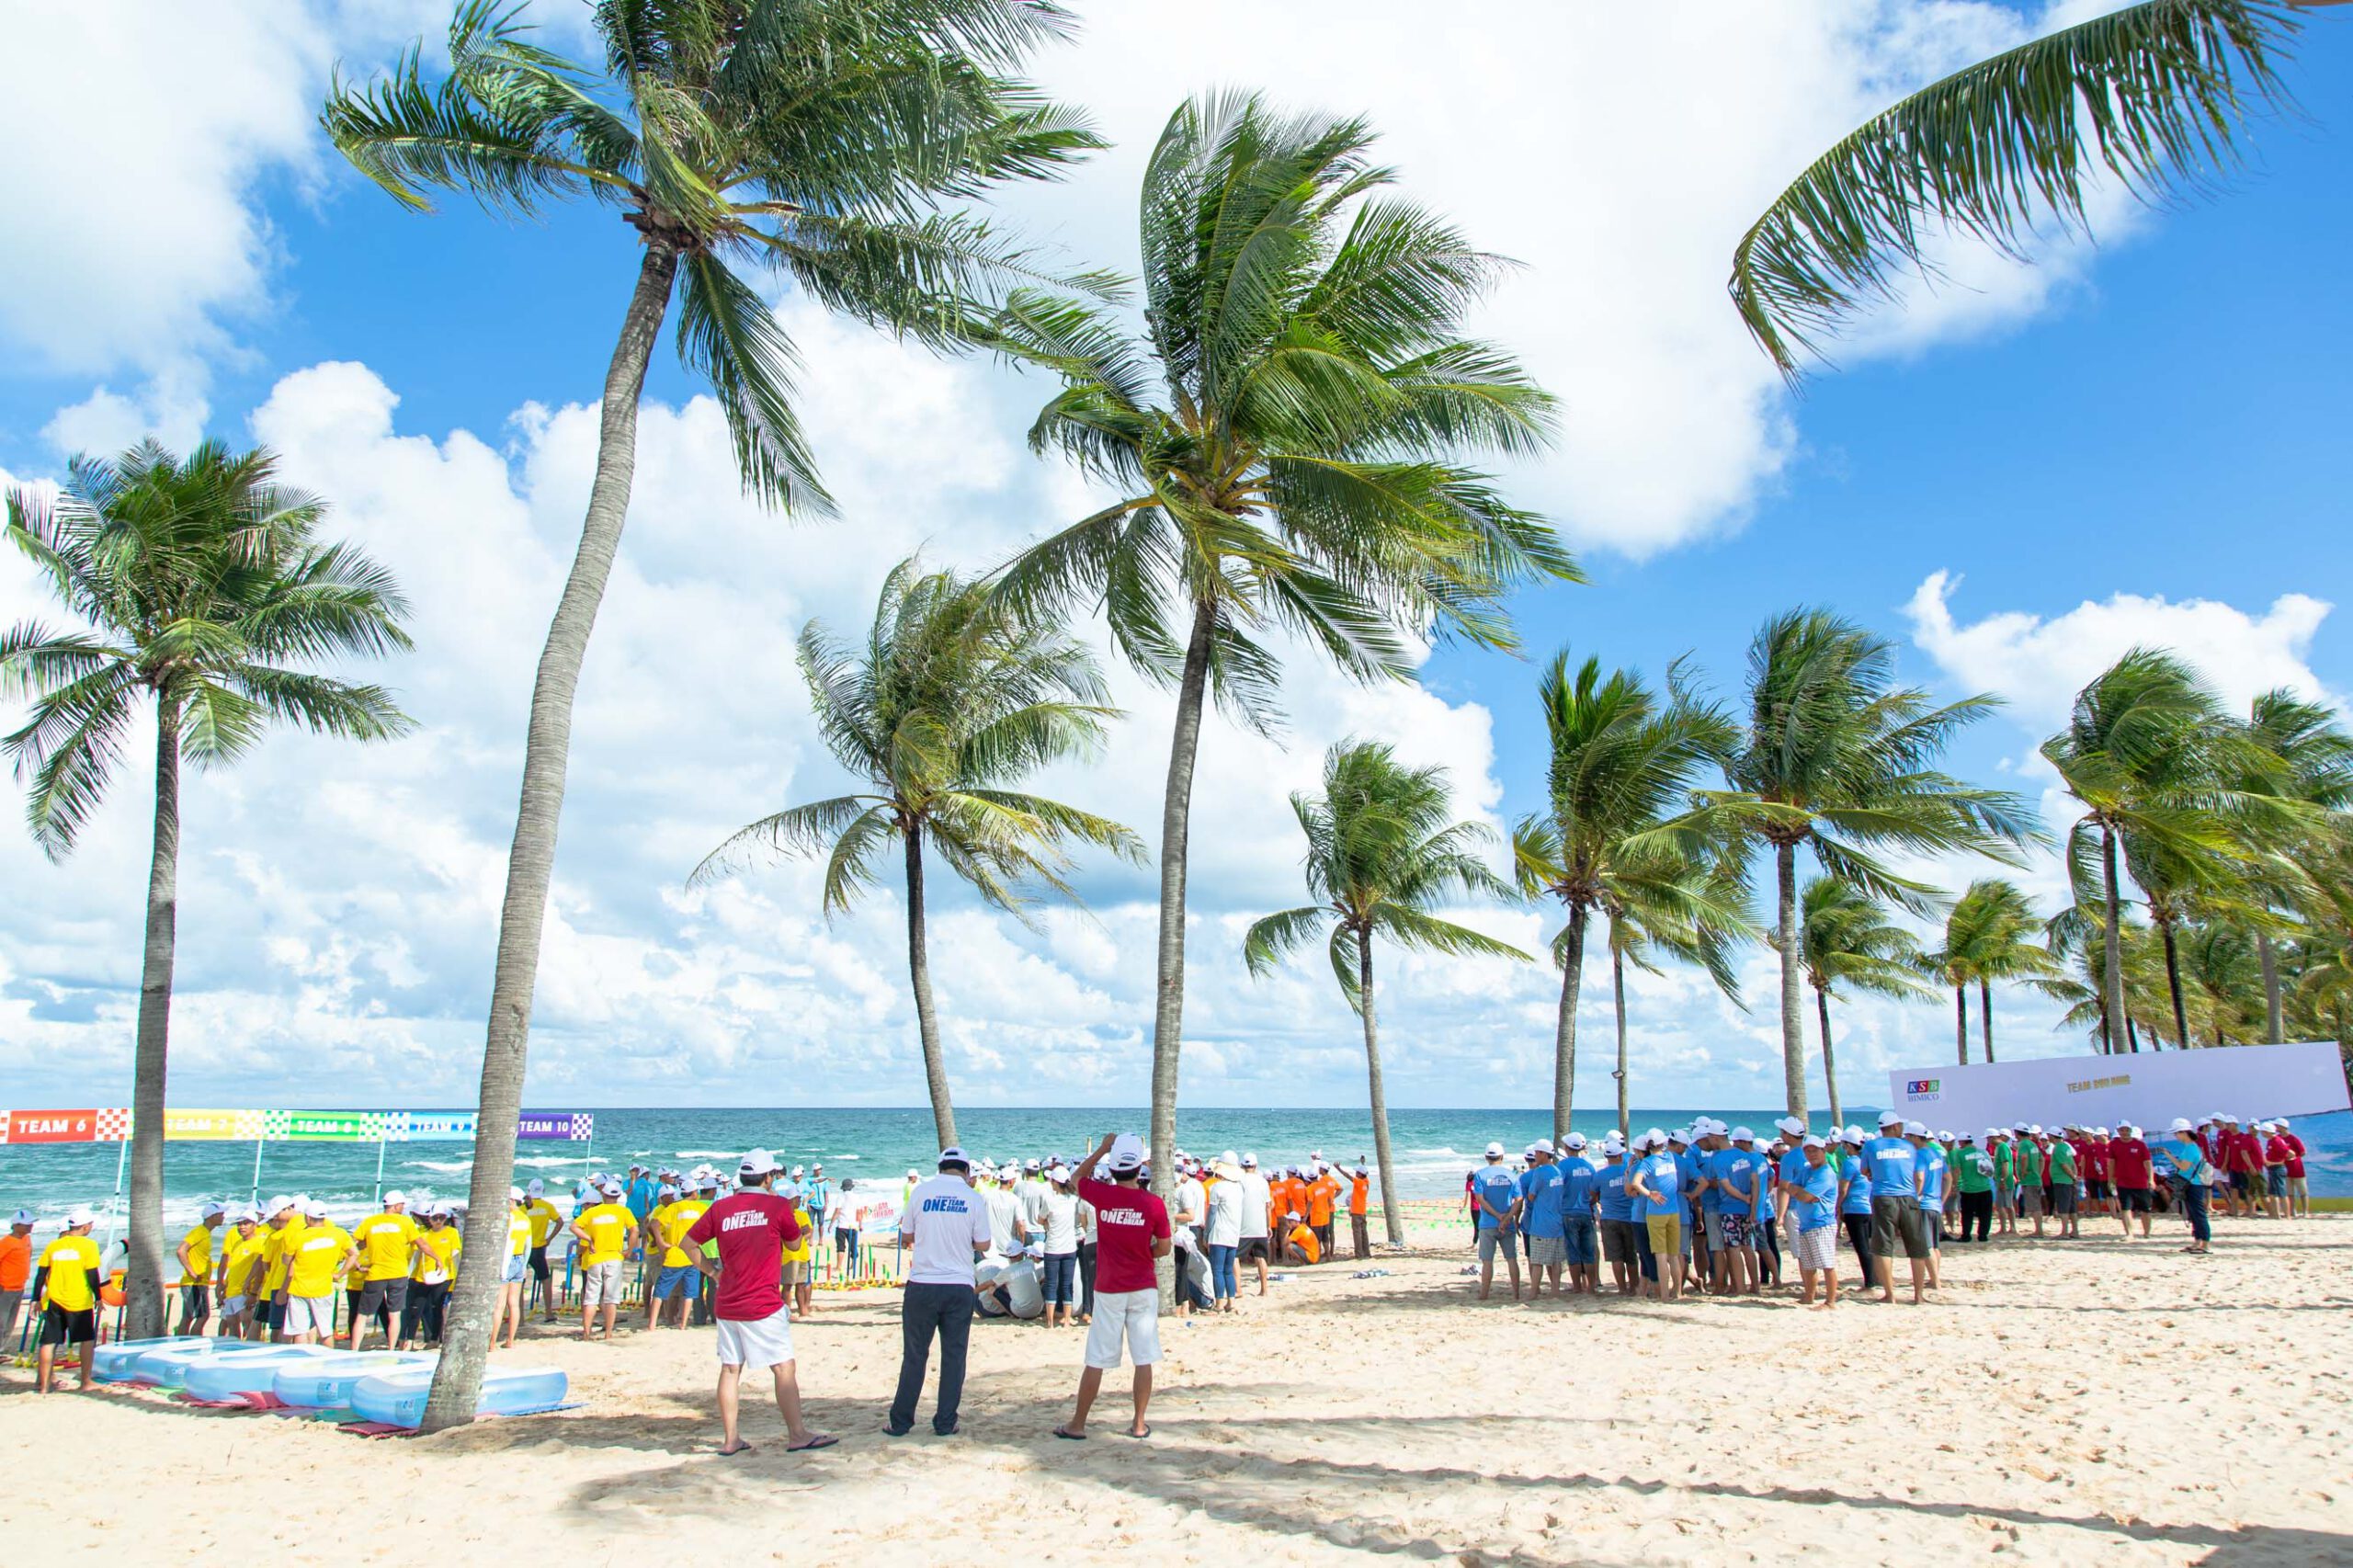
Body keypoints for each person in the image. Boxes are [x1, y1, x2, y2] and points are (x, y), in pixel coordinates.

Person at [674, 1150, 831, 1454]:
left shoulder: (722, 1207)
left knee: (731, 1369)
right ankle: (797, 1434)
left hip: (728, 1300)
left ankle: (730, 1439)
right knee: (783, 1367)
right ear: (768, 1177)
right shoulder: (776, 1206)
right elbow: (793, 1244)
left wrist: (713, 1272)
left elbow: (688, 1244)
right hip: (762, 1302)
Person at [1052, 1134, 1171, 1441]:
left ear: (1114, 1168)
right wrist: (1144, 1253)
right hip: (1143, 1285)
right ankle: (1139, 1423)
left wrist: (1102, 1149)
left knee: (1096, 1359)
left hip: (1109, 1288)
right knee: (1143, 1357)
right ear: (1139, 1169)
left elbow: (1076, 1178)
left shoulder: (1103, 1195)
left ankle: (1078, 1423)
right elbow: (1164, 1247)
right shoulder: (1153, 1204)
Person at [889, 1146, 993, 1437]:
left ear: (940, 1168)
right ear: (966, 1171)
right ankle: (945, 1422)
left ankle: (901, 1422)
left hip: (922, 1282)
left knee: (914, 1355)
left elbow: (906, 1235)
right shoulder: (973, 1198)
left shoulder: (920, 1192)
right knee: (954, 1356)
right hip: (959, 1284)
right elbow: (983, 1244)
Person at [33, 1208, 104, 1392]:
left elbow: (41, 1273)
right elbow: (92, 1274)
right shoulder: (89, 1245)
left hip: (54, 1300)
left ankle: (44, 1386)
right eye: (90, 1225)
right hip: (79, 1301)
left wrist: (35, 1298)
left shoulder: (54, 1245)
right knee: (86, 1340)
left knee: (48, 1342)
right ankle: (86, 1382)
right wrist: (98, 1297)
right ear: (85, 1227)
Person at [1863, 1112, 1927, 1304]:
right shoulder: (1909, 1147)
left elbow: (1864, 1170)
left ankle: (1890, 1294)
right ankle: (1918, 1295)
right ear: (1895, 1126)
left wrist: (1876, 1172)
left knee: (1883, 1247)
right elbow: (1918, 1174)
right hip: (1908, 1196)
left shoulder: (1871, 1146)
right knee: (1917, 1247)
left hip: (1883, 1197)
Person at [347, 1191, 417, 1352]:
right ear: (395, 1206)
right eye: (402, 1205)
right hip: (397, 1273)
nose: (403, 1208)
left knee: (362, 1315)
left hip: (376, 1274)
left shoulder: (370, 1221)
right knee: (394, 1314)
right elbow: (421, 1243)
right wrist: (437, 1258)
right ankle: (391, 1348)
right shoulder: (405, 1222)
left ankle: (354, 1349)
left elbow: (350, 1244)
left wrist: (356, 1262)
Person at [572, 1180, 639, 1342]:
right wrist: (629, 1250)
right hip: (614, 1257)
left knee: (591, 1298)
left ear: (603, 1194)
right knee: (611, 1298)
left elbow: (574, 1226)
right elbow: (635, 1230)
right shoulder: (623, 1211)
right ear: (619, 1195)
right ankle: (608, 1333)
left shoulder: (593, 1212)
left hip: (596, 1257)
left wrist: (588, 1239)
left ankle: (586, 1334)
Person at [283, 1199, 356, 1345]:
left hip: (299, 1288)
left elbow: (286, 1260)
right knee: (325, 1331)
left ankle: (302, 1357)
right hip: (324, 1287)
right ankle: (328, 1357)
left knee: (300, 1331)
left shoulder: (299, 1236)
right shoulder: (338, 1233)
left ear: (308, 1218)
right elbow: (354, 1254)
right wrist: (340, 1274)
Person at [648, 1178, 711, 1330]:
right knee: (689, 1293)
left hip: (675, 1253)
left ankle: (652, 1325)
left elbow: (654, 1224)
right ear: (694, 1193)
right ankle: (683, 1324)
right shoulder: (700, 1208)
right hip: (693, 1254)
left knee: (661, 1291)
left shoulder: (674, 1207)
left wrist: (661, 1242)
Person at [1469, 1142, 1523, 1301]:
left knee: (1487, 1261)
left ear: (1486, 1157)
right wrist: (1507, 1217)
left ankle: (1484, 1294)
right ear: (1502, 1157)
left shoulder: (1480, 1175)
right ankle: (1516, 1294)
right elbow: (1519, 1200)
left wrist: (1498, 1216)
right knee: (1511, 1259)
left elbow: (1480, 1199)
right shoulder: (1511, 1175)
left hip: (1488, 1223)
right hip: (1507, 1223)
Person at [401, 1203, 460, 1347]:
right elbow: (416, 1257)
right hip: (424, 1276)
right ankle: (409, 1340)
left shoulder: (452, 1232)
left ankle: (434, 1339)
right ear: (430, 1219)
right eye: (435, 1218)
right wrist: (408, 1275)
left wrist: (458, 1276)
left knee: (437, 1307)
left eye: (441, 1217)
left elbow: (456, 1255)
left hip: (444, 1276)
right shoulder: (424, 1235)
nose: (438, 1221)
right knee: (416, 1308)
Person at [2155, 1118, 2215, 1254]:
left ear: (2183, 1132)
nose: (2175, 1136)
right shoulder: (2191, 1147)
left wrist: (2169, 1156)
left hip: (2193, 1185)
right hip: (2191, 1184)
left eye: (2176, 1133)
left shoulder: (2191, 1148)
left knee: (2198, 1214)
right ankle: (2198, 1242)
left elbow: (2183, 1166)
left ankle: (2205, 1244)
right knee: (2193, 1214)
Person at [1518, 1142, 1565, 1297]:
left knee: (1537, 1260)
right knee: (1556, 1261)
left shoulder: (1540, 1172)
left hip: (1542, 1222)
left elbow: (1531, 1196)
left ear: (1544, 1154)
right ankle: (1555, 1290)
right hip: (1557, 1221)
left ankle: (1533, 1292)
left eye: (1537, 1153)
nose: (1535, 1156)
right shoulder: (1557, 1171)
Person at [1039, 1165, 1084, 1327]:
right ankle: (1066, 1321)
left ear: (1056, 1183)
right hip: (1070, 1246)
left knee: (1051, 1284)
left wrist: (1047, 1224)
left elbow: (1040, 1219)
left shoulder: (1049, 1200)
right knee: (1067, 1284)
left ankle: (1050, 1323)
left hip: (1053, 1247)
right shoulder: (1074, 1200)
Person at [174, 1201, 225, 1337]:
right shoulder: (199, 1232)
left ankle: (187, 1341)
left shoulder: (205, 1233)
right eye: (221, 1214)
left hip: (199, 1282)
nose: (223, 1217)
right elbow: (181, 1250)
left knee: (193, 1315)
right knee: (199, 1315)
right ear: (212, 1216)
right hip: (194, 1282)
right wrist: (192, 1272)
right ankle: (188, 1342)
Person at [1596, 1135, 1637, 1296]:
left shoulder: (1601, 1174)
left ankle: (1622, 1288)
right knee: (1631, 1256)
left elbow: (1593, 1193)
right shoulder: (1629, 1171)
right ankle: (1634, 1287)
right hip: (1629, 1216)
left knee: (1616, 1257)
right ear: (1620, 1155)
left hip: (1610, 1217)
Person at [215, 1210, 265, 1340]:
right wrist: (225, 1287)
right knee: (232, 1326)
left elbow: (260, 1269)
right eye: (239, 1224)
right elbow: (233, 1267)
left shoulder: (260, 1243)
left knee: (249, 1326)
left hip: (245, 1292)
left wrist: (253, 1292)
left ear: (255, 1224)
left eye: (246, 1223)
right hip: (232, 1291)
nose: (241, 1227)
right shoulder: (237, 1243)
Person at [1911, 1122, 1949, 1287]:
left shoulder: (1919, 1155)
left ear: (1915, 1137)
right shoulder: (1936, 1153)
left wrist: (1914, 1197)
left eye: (1908, 1136)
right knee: (1934, 1246)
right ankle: (1934, 1278)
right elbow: (1948, 1178)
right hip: (1935, 1204)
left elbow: (1919, 1177)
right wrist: (1942, 1199)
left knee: (1926, 1246)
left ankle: (1935, 1281)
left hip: (1924, 1204)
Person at [1203, 1158, 1243, 1312]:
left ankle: (1219, 1303)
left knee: (1217, 1270)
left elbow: (1212, 1213)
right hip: (1234, 1233)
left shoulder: (1217, 1187)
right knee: (1228, 1270)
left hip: (1219, 1233)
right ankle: (1231, 1301)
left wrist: (1206, 1233)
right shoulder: (1239, 1188)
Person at [521, 1181, 563, 1322]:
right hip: (539, 1246)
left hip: (524, 1247)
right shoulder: (547, 1206)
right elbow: (560, 1222)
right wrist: (549, 1238)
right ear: (543, 1190)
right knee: (545, 1279)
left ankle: (519, 1316)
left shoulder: (523, 1208)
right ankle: (548, 1312)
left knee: (519, 1282)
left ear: (529, 1190)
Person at [2109, 1122, 2156, 1238]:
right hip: (2123, 1182)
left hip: (2141, 1183)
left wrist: (2151, 1179)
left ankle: (2147, 1233)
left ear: (2130, 1131)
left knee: (2145, 1209)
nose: (2124, 1132)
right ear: (2118, 1131)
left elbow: (2148, 1163)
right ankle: (2129, 1233)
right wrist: (2110, 1179)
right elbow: (2111, 1163)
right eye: (2122, 1130)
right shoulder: (2114, 1144)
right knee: (2125, 1208)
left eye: (2127, 1130)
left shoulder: (2140, 1145)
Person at [1235, 1153, 1273, 1299]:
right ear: (1255, 1166)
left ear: (1242, 1166)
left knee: (1235, 1257)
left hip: (1243, 1225)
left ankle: (1238, 1289)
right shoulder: (1263, 1181)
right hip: (1260, 1225)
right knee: (1261, 1258)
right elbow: (1268, 1206)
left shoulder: (1239, 1180)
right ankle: (1264, 1289)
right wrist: (1268, 1226)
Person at [1953, 1132, 1995, 1244]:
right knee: (1985, 1214)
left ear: (1961, 1142)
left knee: (1967, 1214)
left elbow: (1957, 1170)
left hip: (1968, 1189)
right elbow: (1990, 1169)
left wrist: (1954, 1185)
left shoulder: (1960, 1154)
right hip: (1985, 1188)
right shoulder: (1983, 1152)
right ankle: (1983, 1236)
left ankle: (1966, 1236)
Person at [0, 1210, 32, 1350]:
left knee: (10, 1323)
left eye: (31, 1223)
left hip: (19, 1287)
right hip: (5, 1289)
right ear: (16, 1225)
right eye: (27, 1224)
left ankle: (1, 1350)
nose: (30, 1226)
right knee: (1, 1323)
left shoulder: (27, 1239)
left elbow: (27, 1258)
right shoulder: (6, 1243)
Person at [2047, 1125, 2080, 1239]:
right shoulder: (2066, 1146)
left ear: (2052, 1136)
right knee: (2072, 1207)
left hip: (2062, 1180)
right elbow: (2072, 1163)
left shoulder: (2058, 1148)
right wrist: (2074, 1176)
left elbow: (2064, 1165)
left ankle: (2064, 1232)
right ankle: (2075, 1231)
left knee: (2063, 1207)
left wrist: (2072, 1176)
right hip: (2068, 1180)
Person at [1347, 1161, 1372, 1260]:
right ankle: (1367, 1253)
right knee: (1364, 1233)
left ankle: (1359, 1254)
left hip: (1356, 1211)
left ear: (1360, 1174)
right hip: (1362, 1210)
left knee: (1357, 1233)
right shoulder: (1366, 1182)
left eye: (1357, 1172)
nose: (1355, 1174)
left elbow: (1348, 1177)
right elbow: (1364, 1174)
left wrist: (1339, 1169)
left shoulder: (1359, 1182)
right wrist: (1362, 1163)